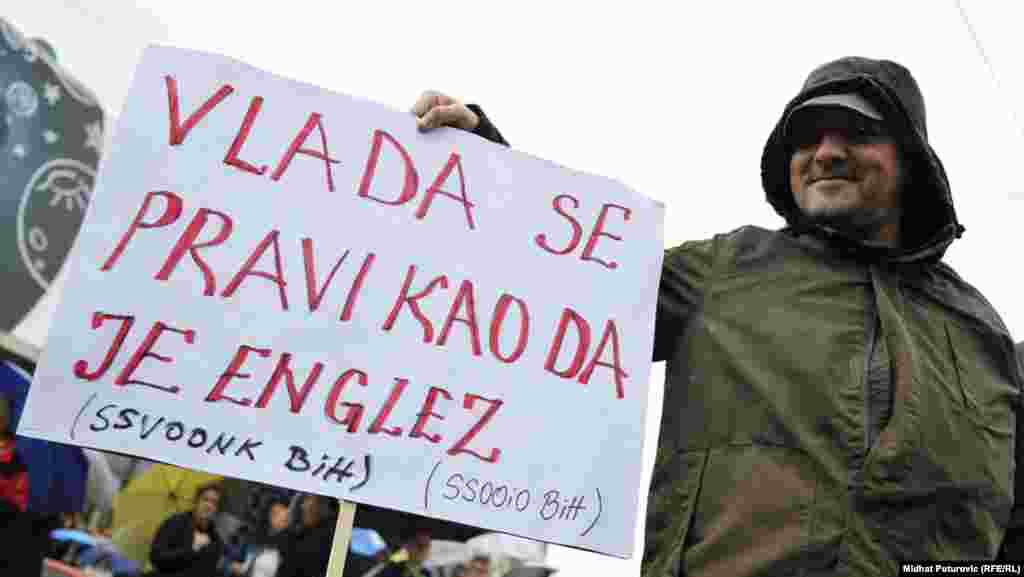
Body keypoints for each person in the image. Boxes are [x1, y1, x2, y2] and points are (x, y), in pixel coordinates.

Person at [413, 56, 1024, 576]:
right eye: (806, 138)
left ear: (911, 158)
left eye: (857, 132)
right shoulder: (725, 269)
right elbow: (569, 281)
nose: (826, 152)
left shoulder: (981, 330)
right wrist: (490, 166)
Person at [148, 480, 226, 577]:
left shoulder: (215, 540)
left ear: (216, 509)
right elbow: (156, 558)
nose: (208, 506)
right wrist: (192, 549)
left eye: (214, 503)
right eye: (205, 499)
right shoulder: (175, 522)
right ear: (196, 502)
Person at [276, 494, 336, 577]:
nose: (304, 506)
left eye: (309, 500)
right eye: (304, 501)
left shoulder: (328, 533)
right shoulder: (289, 536)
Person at [363, 522, 434, 577]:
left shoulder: (426, 573)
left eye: (427, 546)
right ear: (407, 544)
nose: (424, 550)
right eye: (420, 546)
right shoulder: (390, 567)